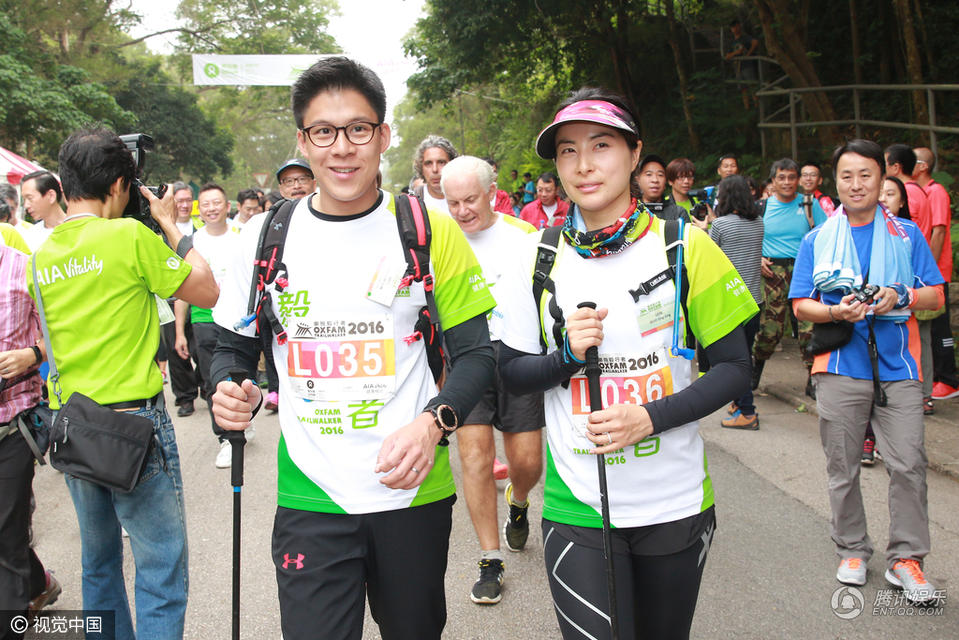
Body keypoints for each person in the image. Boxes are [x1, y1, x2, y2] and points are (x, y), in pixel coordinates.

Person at [209, 56, 496, 640]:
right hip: (312, 493)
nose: (342, 148)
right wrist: (227, 388)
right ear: (303, 141)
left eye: (358, 129)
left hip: (412, 490)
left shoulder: (428, 229)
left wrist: (434, 423)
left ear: (383, 136)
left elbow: (477, 357)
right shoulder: (264, 238)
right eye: (324, 132)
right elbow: (231, 349)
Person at [493, 88, 757, 640]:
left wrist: (649, 418)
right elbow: (511, 373)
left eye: (602, 145)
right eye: (567, 151)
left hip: (676, 500)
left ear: (636, 155)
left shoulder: (683, 245)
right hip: (578, 505)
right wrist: (564, 357)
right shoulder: (535, 256)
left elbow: (735, 369)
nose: (583, 164)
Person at [27, 127, 218, 639]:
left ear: (63, 186)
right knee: (159, 566)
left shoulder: (42, 255)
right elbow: (208, 290)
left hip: (73, 426)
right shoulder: (130, 236)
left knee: (99, 563)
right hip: (133, 424)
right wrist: (167, 223)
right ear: (119, 185)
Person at [789, 139, 944, 604]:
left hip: (898, 365)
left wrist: (903, 296)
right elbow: (800, 306)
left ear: (883, 179)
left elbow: (936, 295)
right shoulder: (817, 239)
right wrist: (837, 313)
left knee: (909, 465)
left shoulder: (906, 235)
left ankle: (907, 559)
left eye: (866, 175)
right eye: (847, 176)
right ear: (836, 182)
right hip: (839, 365)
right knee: (843, 466)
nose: (856, 184)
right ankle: (852, 548)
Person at [439, 155, 544, 605]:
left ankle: (518, 501)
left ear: (492, 192)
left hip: (518, 355)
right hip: (465, 358)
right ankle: (489, 559)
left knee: (527, 461)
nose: (462, 211)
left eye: (470, 200)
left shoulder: (526, 236)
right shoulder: (439, 240)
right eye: (452, 202)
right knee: (475, 457)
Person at [0, 241, 61, 639]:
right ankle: (39, 582)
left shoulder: (26, 268)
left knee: (4, 533)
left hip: (12, 424)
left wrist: (32, 353)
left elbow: (65, 331)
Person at [173, 183, 250, 469]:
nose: (211, 208)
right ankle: (226, 439)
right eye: (205, 204)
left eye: (217, 202)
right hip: (204, 319)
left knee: (241, 374)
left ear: (227, 206)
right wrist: (180, 331)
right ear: (199, 209)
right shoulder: (191, 243)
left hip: (239, 320)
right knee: (211, 381)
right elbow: (182, 289)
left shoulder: (242, 238)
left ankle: (244, 418)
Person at [751, 158, 827, 398]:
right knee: (770, 329)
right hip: (772, 273)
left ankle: (813, 378)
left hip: (804, 272)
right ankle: (754, 371)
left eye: (791, 177)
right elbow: (749, 237)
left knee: (809, 329)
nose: (787, 182)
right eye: (781, 177)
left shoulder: (809, 204)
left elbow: (826, 236)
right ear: (773, 181)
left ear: (798, 180)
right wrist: (758, 257)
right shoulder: (761, 207)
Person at [709, 175, 764, 430]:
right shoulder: (759, 223)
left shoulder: (720, 225)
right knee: (747, 354)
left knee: (735, 360)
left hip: (731, 302)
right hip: (756, 300)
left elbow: (709, 256)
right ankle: (738, 403)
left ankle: (748, 412)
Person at [912, 147, 958, 402]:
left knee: (939, 328)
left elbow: (939, 231)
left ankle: (948, 378)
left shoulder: (936, 191)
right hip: (928, 271)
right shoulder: (920, 192)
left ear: (923, 166)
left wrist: (927, 268)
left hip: (936, 271)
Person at [163, 181, 203, 418]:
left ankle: (206, 386)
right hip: (170, 298)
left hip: (197, 297)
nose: (185, 205)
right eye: (180, 201)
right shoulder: (161, 229)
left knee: (200, 347)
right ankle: (185, 397)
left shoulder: (200, 227)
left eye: (189, 200)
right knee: (176, 350)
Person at [19, 171, 66, 252]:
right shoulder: (29, 236)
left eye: (30, 198)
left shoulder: (77, 229)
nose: (26, 205)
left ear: (51, 196)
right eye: (24, 200)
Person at [413, 135, 458, 215]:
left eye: (441, 162)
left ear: (452, 163)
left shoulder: (468, 196)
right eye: (428, 163)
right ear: (421, 167)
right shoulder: (413, 203)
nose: (435, 169)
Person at [637, 155, 688, 223]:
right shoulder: (630, 213)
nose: (655, 180)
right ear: (638, 180)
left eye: (660, 175)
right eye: (649, 174)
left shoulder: (678, 213)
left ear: (665, 182)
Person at [725, 20, 759, 109]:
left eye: (736, 26)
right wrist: (736, 53)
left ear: (739, 26)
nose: (735, 29)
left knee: (752, 86)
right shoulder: (732, 42)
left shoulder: (745, 38)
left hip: (747, 65)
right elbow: (727, 56)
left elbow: (755, 42)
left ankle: (757, 106)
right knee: (743, 89)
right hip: (738, 67)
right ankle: (746, 108)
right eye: (733, 27)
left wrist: (748, 54)